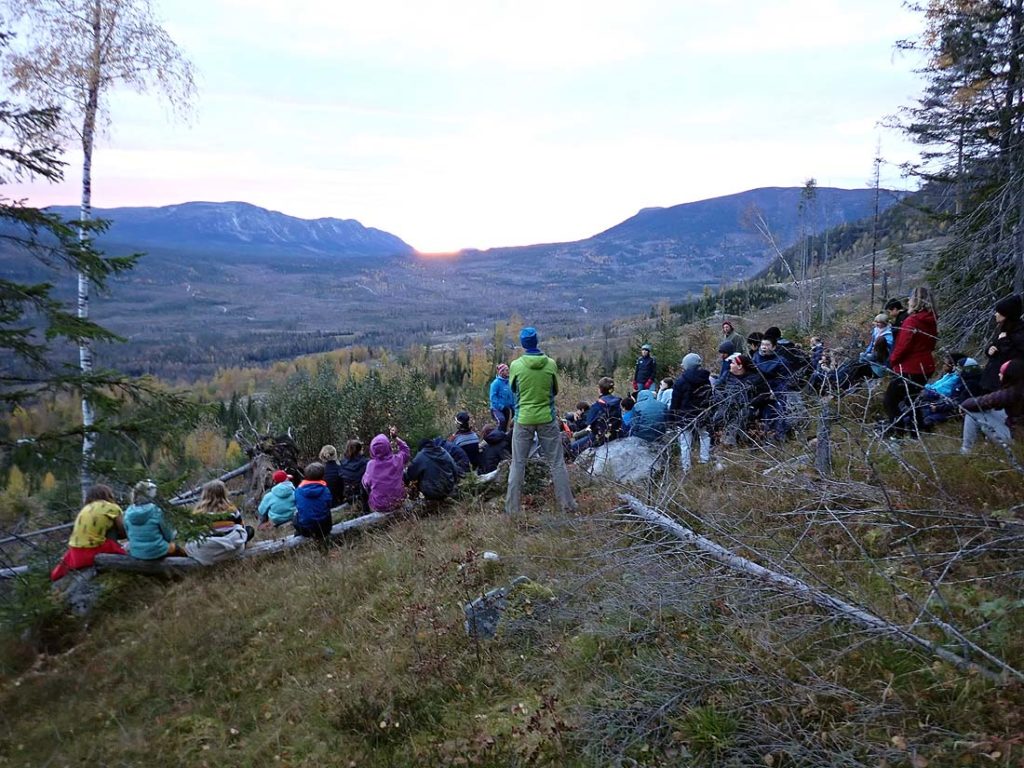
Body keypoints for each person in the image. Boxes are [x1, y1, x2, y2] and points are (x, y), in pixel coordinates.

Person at [505, 326, 577, 515]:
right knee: (557, 463)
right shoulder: (550, 364)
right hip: (547, 417)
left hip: (524, 419)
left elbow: (514, 391)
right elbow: (555, 391)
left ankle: (512, 510)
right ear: (537, 341)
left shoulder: (516, 366)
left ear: (523, 344)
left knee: (518, 463)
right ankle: (567, 505)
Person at [883, 287, 938, 436]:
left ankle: (898, 432)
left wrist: (892, 361)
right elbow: (932, 344)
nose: (908, 301)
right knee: (911, 400)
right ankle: (916, 431)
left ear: (916, 301)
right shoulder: (931, 320)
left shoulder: (912, 321)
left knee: (890, 400)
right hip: (926, 366)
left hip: (911, 368)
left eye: (911, 298)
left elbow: (902, 346)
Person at [50, 484, 127, 580]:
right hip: (94, 552)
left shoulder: (85, 509)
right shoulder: (112, 508)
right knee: (112, 524)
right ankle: (115, 549)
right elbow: (124, 530)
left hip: (75, 553)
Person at [960, 359, 1024, 453]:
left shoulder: (1012, 393)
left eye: (1001, 373)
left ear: (1009, 376)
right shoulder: (1019, 389)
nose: (999, 375)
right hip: (1017, 431)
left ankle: (967, 450)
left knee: (973, 412)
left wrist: (962, 406)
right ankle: (987, 442)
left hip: (1017, 440)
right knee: (993, 410)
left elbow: (983, 401)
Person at [185, 479, 252, 565]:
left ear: (204, 494)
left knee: (191, 541)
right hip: (231, 550)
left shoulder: (197, 514)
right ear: (224, 493)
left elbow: (190, 534)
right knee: (248, 530)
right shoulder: (232, 510)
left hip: (206, 552)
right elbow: (242, 527)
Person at [712, 354, 772, 446]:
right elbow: (718, 388)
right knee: (716, 417)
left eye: (733, 363)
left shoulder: (755, 378)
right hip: (727, 404)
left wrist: (753, 405)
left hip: (747, 407)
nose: (730, 365)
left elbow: (765, 394)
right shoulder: (727, 375)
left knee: (739, 418)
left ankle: (731, 443)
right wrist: (722, 399)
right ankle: (715, 443)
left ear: (740, 366)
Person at [670, 353, 712, 470]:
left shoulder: (680, 381)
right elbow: (709, 397)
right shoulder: (706, 379)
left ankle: (686, 467)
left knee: (685, 443)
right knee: (704, 435)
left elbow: (675, 402)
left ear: (686, 365)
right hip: (702, 414)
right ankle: (704, 459)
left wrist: (672, 417)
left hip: (685, 416)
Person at [124, 480, 185, 561]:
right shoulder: (156, 510)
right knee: (179, 550)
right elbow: (169, 535)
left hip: (136, 552)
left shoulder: (127, 512)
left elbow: (128, 535)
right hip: (157, 551)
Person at [980, 294, 1024, 394]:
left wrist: (1003, 341)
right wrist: (989, 350)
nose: (996, 314)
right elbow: (993, 347)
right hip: (992, 382)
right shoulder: (1004, 329)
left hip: (1006, 385)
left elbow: (1014, 359)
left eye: (999, 312)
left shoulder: (1019, 333)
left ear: (1007, 314)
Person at [362, 426, 411, 514]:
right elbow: (406, 451)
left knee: (364, 485)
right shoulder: (397, 460)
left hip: (379, 506)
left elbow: (366, 484)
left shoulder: (371, 465)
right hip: (398, 502)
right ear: (388, 446)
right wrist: (396, 438)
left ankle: (365, 511)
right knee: (403, 474)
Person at [293, 462, 335, 539]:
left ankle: (299, 533)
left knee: (295, 516)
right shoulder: (325, 490)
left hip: (306, 530)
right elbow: (329, 504)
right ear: (322, 476)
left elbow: (298, 505)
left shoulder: (298, 491)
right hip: (325, 529)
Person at [339, 439, 370, 513]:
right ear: (360, 450)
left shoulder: (342, 464)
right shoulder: (366, 463)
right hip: (364, 495)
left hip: (349, 495)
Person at [489, 363, 516, 430]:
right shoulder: (495, 383)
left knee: (515, 421)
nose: (508, 371)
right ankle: (497, 437)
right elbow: (493, 398)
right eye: (506, 370)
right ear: (501, 372)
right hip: (497, 409)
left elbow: (511, 398)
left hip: (508, 409)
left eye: (508, 370)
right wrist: (501, 407)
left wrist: (514, 408)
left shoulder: (509, 383)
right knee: (502, 421)